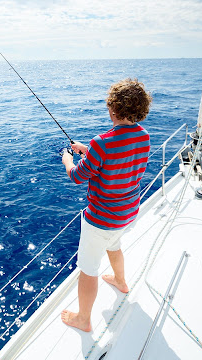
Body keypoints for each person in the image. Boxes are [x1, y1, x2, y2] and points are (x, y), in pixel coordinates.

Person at [60, 78, 152, 332]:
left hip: (101, 219)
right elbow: (119, 155)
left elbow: (78, 176)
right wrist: (87, 150)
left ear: (113, 108)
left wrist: (69, 158)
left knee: (88, 269)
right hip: (128, 212)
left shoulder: (102, 142)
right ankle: (121, 281)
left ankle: (83, 319)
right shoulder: (143, 137)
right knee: (115, 244)